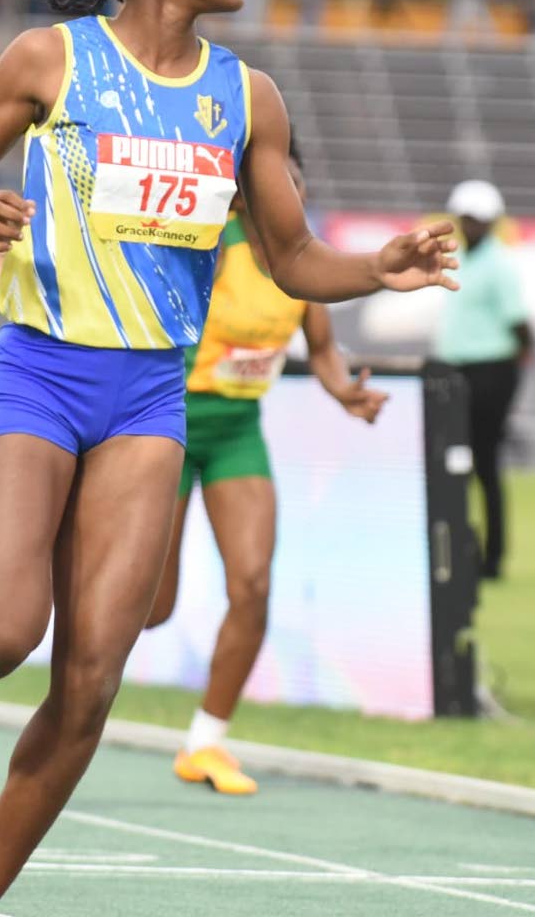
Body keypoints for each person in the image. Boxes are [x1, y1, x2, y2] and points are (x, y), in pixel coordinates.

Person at [0, 0, 458, 917]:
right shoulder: (47, 60)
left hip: (151, 395)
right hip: (42, 372)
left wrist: (375, 267)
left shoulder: (248, 99)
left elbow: (292, 259)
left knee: (93, 679)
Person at [146, 146, 389, 795]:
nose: (293, 208)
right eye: (280, 195)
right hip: (167, 423)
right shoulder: (213, 247)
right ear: (245, 199)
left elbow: (324, 352)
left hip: (236, 434)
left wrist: (345, 393)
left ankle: (205, 744)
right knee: (151, 608)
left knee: (251, 583)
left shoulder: (302, 269)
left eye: (300, 193)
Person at [436, 180, 532, 581]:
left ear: (490, 223)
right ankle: (462, 548)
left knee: (485, 464)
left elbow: (522, 327)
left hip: (490, 371)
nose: (470, 226)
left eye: (477, 220)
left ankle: (492, 558)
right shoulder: (464, 260)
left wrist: (510, 380)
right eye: (466, 219)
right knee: (453, 463)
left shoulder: (500, 264)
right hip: (456, 372)